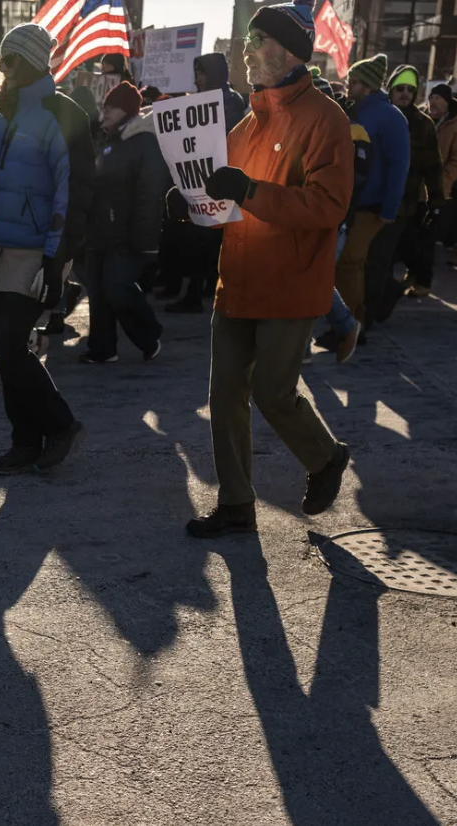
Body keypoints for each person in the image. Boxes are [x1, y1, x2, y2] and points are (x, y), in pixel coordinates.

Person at [183, 2, 352, 538]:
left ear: (288, 53)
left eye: (257, 42)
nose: (247, 52)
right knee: (225, 396)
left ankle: (325, 458)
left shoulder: (326, 119)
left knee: (273, 393)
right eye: (249, 41)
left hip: (290, 283)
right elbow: (224, 205)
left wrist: (249, 191)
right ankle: (236, 505)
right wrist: (187, 206)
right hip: (237, 280)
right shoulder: (247, 123)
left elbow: (326, 205)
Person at [0, 23, 91, 474]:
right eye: (2, 60)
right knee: (7, 350)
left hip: (37, 251)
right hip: (2, 252)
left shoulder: (61, 114)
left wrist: (55, 258)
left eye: (10, 60)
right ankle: (26, 441)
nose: (2, 68)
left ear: (28, 63)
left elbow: (72, 194)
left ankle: (61, 424)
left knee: (10, 346)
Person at [78, 81, 166, 364]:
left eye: (110, 107)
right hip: (100, 231)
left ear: (126, 110)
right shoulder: (109, 141)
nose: (104, 113)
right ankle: (103, 348)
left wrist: (144, 241)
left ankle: (149, 335)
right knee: (98, 291)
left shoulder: (144, 142)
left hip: (126, 236)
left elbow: (149, 195)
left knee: (117, 288)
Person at [161, 52, 248, 313]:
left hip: (216, 178)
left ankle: (196, 294)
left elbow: (224, 136)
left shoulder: (229, 100)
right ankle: (186, 286)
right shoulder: (199, 98)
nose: (198, 78)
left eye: (202, 72)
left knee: (205, 238)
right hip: (195, 175)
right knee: (190, 235)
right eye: (196, 73)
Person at [332, 54, 407, 329]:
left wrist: (389, 208)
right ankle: (355, 315)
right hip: (348, 201)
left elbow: (400, 165)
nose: (349, 86)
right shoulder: (354, 109)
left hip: (372, 204)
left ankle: (353, 324)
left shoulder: (391, 117)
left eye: (354, 82)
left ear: (367, 85)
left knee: (350, 260)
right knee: (350, 261)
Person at [373, 64, 438, 323]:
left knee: (386, 258)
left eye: (410, 90)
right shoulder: (380, 115)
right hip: (375, 200)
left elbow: (433, 167)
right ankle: (378, 303)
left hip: (407, 204)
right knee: (378, 260)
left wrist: (437, 203)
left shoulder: (424, 125)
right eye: (400, 88)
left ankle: (379, 306)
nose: (405, 94)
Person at [406, 82, 457, 297]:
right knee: (411, 235)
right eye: (431, 97)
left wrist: (442, 179)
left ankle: (423, 282)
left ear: (447, 102)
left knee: (426, 239)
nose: (432, 101)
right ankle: (412, 274)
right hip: (413, 188)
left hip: (438, 191)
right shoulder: (420, 119)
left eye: (438, 98)